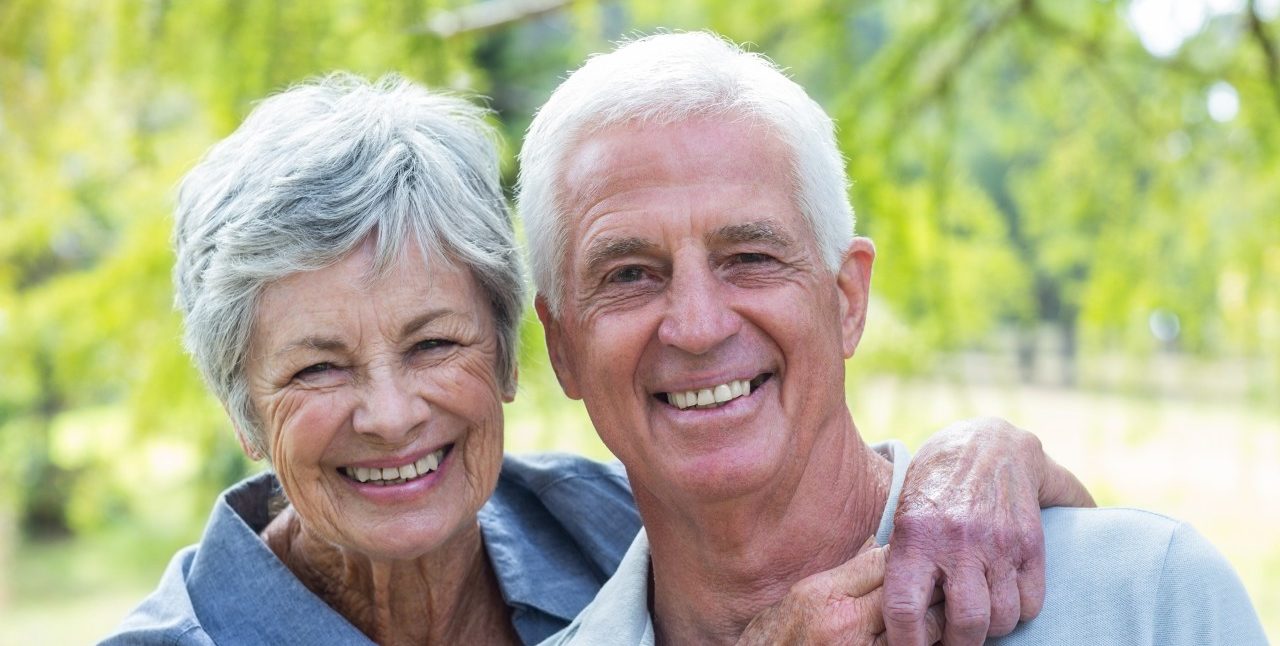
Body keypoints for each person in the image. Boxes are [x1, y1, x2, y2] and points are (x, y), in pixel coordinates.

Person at [105, 73, 1089, 646]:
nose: (393, 412)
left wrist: (981, 455)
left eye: (433, 342)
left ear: (510, 355)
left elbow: (876, 513)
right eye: (318, 367)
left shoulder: (604, 521)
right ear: (239, 405)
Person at [521, 32, 1267, 645]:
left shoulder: (1148, 599)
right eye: (628, 274)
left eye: (749, 258)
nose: (698, 325)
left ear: (848, 299)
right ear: (562, 350)